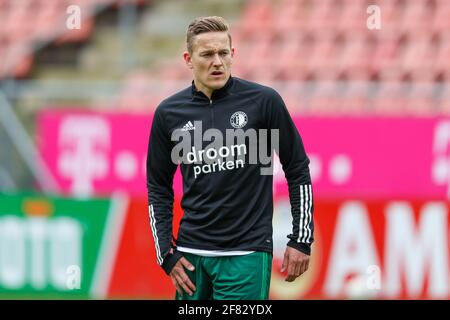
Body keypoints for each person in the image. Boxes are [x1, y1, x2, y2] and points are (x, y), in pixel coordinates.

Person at [146, 16, 314, 300]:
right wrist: (165, 252)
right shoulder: (169, 113)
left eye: (223, 53)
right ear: (188, 59)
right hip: (191, 257)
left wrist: (302, 239)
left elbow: (297, 168)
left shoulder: (264, 102)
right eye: (207, 54)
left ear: (233, 54)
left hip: (246, 253)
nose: (217, 62)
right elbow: (158, 187)